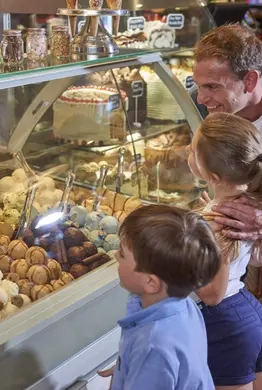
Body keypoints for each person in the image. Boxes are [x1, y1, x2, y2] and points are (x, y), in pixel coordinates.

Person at [101, 204, 220, 390]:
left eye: (122, 255)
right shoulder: (185, 306)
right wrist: (126, 367)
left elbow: (156, 362)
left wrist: (141, 367)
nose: (116, 255)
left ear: (150, 283)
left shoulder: (153, 346)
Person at [187, 112, 262, 390]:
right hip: (247, 310)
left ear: (213, 177)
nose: (188, 152)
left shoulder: (210, 223)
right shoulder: (251, 204)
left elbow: (213, 294)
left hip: (224, 322)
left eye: (193, 151)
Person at [191, 24, 262, 241]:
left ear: (250, 80)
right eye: (198, 86)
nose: (200, 99)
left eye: (212, 87)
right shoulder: (218, 109)